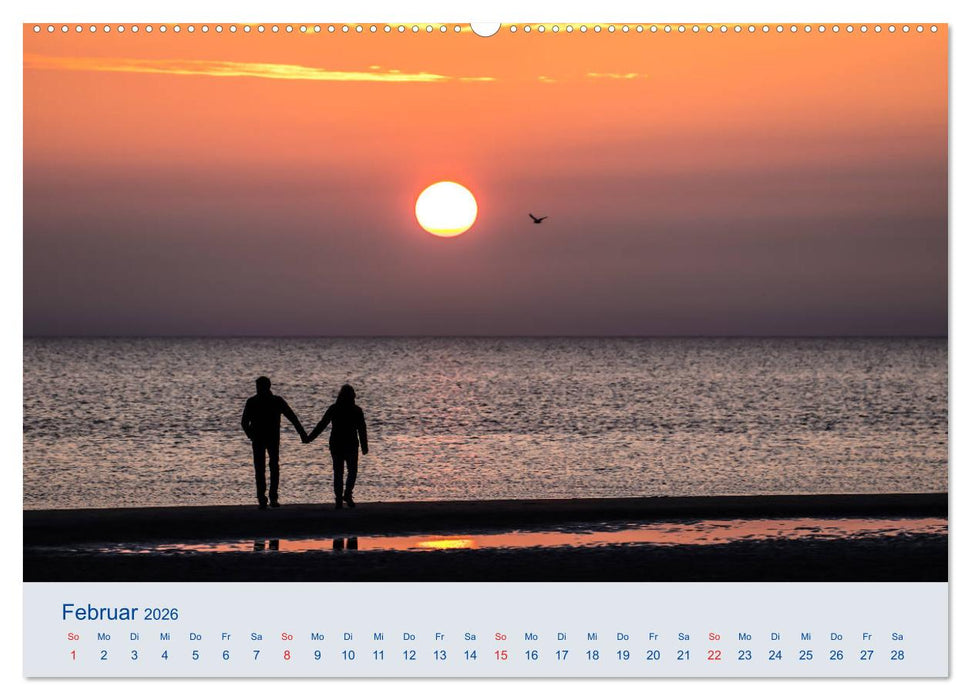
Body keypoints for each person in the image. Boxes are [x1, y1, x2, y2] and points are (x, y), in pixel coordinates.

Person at [241, 376, 307, 510]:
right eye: (258, 387)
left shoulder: (273, 401)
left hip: (269, 438)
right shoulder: (255, 402)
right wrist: (251, 435)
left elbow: (292, 417)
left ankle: (270, 498)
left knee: (269, 467)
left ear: (267, 387)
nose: (259, 389)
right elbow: (244, 423)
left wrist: (302, 434)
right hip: (262, 438)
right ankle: (265, 498)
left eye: (260, 387)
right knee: (264, 468)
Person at [305, 384, 368, 509]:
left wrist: (310, 438)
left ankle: (339, 499)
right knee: (352, 471)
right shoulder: (356, 410)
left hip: (337, 444)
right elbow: (362, 430)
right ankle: (347, 494)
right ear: (353, 396)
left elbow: (322, 424)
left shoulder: (334, 408)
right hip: (349, 444)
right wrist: (364, 446)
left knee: (338, 472)